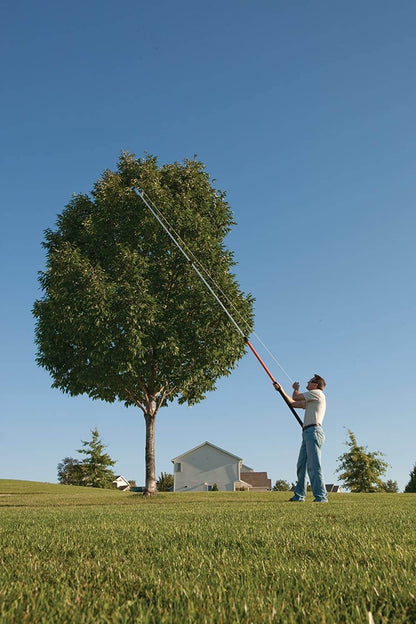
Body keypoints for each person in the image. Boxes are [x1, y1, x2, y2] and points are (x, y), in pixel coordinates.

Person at [273, 374, 328, 502]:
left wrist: (295, 388)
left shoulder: (317, 393)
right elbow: (293, 403)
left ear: (315, 385)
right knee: (301, 465)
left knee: (314, 466)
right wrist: (280, 390)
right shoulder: (312, 398)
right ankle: (299, 496)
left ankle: (321, 497)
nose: (307, 382)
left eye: (310, 381)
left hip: (314, 432)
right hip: (307, 432)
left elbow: (295, 396)